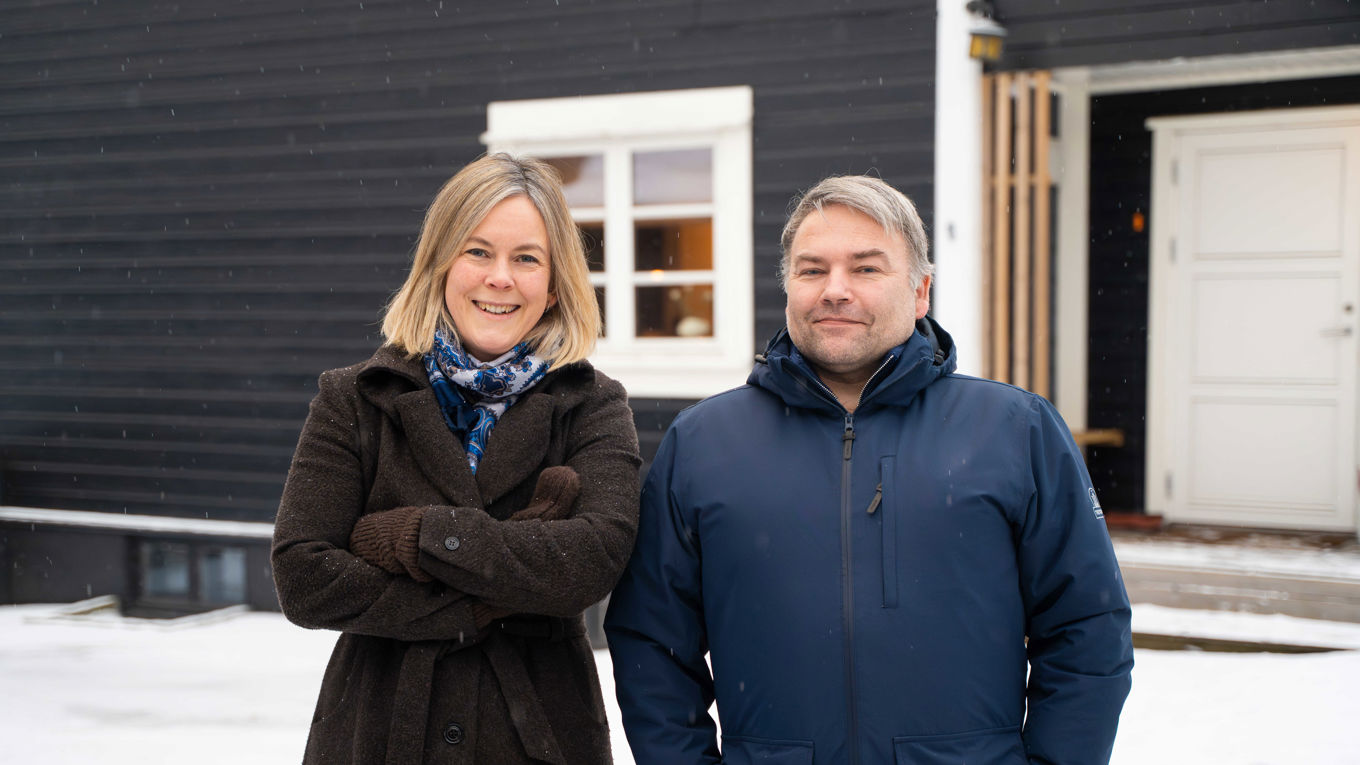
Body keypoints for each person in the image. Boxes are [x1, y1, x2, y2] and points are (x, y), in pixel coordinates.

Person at [604, 175, 1133, 764]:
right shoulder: (704, 442)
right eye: (812, 270)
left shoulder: (1015, 429)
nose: (835, 290)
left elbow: (1087, 628)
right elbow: (651, 643)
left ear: (920, 291)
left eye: (866, 268)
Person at [272, 153, 641, 765]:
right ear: (440, 264)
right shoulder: (356, 397)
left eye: (526, 258)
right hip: (378, 732)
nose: (500, 277)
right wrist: (490, 596)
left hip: (540, 736)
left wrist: (423, 535)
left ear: (554, 286)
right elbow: (305, 578)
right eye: (478, 251)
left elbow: (595, 558)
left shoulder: (593, 404)